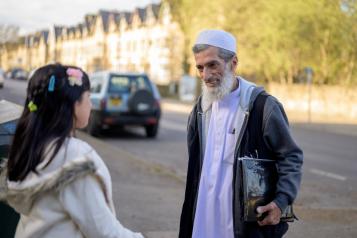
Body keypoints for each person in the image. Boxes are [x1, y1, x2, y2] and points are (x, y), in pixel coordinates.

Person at [179, 29, 303, 238]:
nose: (206, 75)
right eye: (200, 67)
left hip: (243, 224)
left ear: (233, 63)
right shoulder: (200, 110)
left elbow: (291, 156)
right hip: (203, 216)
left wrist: (281, 201)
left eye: (212, 65)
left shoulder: (263, 107)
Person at [0, 64, 144, 238]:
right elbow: (104, 231)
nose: (91, 104)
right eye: (88, 97)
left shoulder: (29, 147)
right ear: (73, 105)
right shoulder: (75, 158)